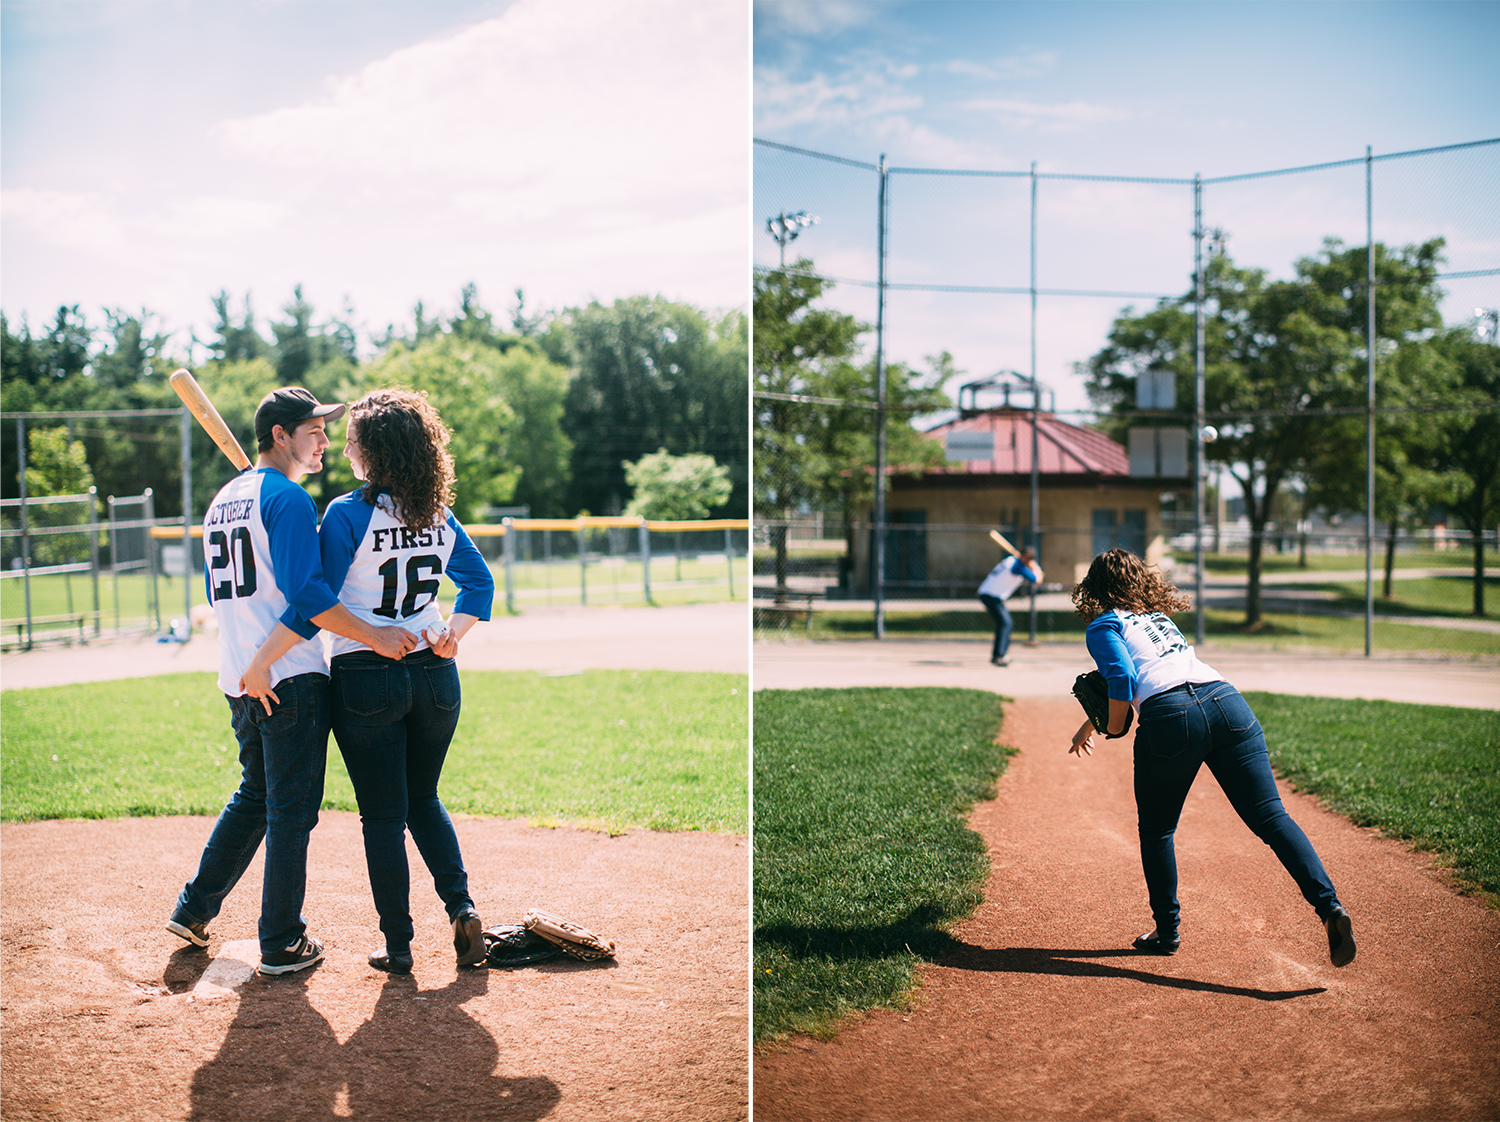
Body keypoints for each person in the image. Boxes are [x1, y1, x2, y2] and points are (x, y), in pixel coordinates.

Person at [243, 388, 494, 975]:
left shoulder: (346, 512)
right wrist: (453, 633)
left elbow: (315, 601)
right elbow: (478, 585)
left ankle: (400, 945)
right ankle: (462, 907)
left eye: (353, 438)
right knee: (425, 799)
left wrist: (264, 654)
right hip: (436, 673)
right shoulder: (437, 513)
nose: (343, 445)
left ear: (374, 452)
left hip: (365, 675)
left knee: (383, 816)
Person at [167, 387, 416, 976]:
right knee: (291, 811)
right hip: (291, 679)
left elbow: (218, 596)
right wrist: (375, 636)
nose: (326, 440)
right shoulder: (288, 499)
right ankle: (281, 940)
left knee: (258, 793)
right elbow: (309, 598)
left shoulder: (224, 499)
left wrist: (253, 660)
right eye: (314, 430)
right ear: (281, 435)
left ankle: (195, 906)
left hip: (239, 677)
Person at [1067, 548, 1356, 967]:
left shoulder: (1103, 624)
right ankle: (1329, 907)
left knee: (1158, 830)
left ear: (1093, 589)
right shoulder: (1157, 619)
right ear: (1139, 582)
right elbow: (1154, 670)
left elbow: (1126, 679)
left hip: (1170, 718)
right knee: (1272, 818)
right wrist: (1089, 724)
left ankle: (1166, 931)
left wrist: (1112, 727)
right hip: (1226, 702)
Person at [977, 546, 1043, 666]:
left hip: (989, 594)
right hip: (991, 595)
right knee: (1005, 623)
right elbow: (1036, 580)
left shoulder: (1011, 560)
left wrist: (1028, 566)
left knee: (1004, 623)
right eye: (1027, 558)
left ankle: (999, 654)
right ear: (1022, 556)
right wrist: (1035, 568)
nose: (1027, 560)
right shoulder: (1017, 567)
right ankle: (999, 656)